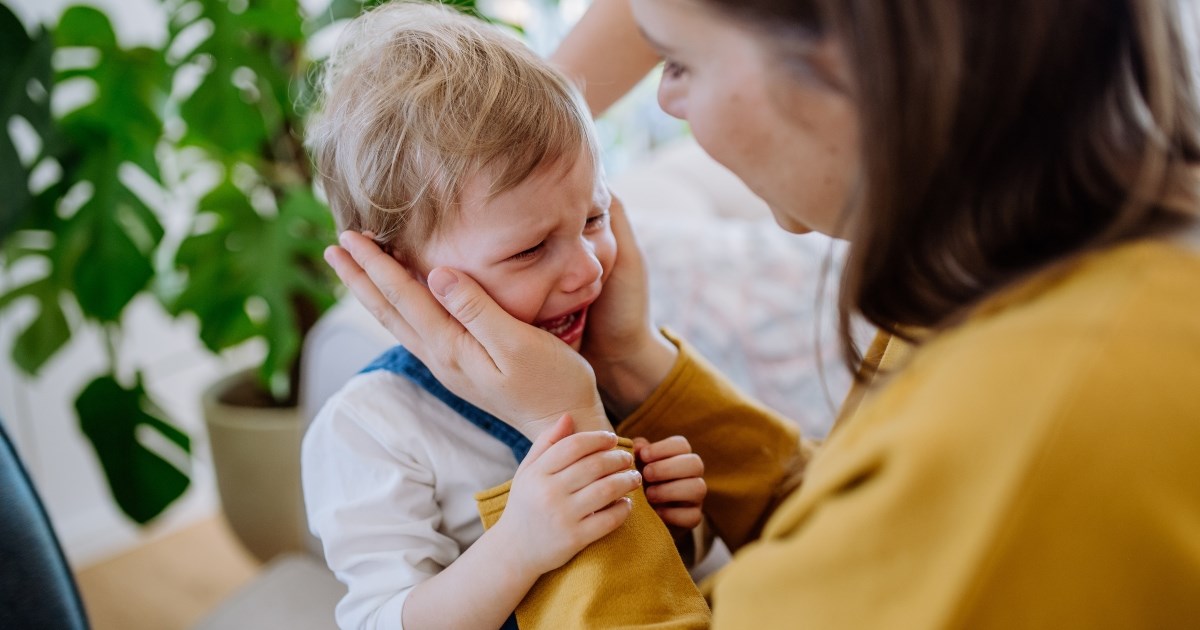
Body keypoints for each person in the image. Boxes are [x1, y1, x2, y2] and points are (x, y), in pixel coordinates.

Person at [325, 0, 1200, 626]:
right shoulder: (1017, 288)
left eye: (680, 60)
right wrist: (635, 377)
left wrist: (573, 436)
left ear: (848, 59)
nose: (664, 99)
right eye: (526, 247)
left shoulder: (1034, 421)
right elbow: (842, 536)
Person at [301, 3, 711, 629]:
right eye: (527, 250)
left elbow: (664, 581)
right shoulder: (371, 428)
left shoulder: (591, 351)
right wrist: (517, 547)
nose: (588, 272)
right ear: (397, 271)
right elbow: (382, 620)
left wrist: (681, 526)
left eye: (592, 220)